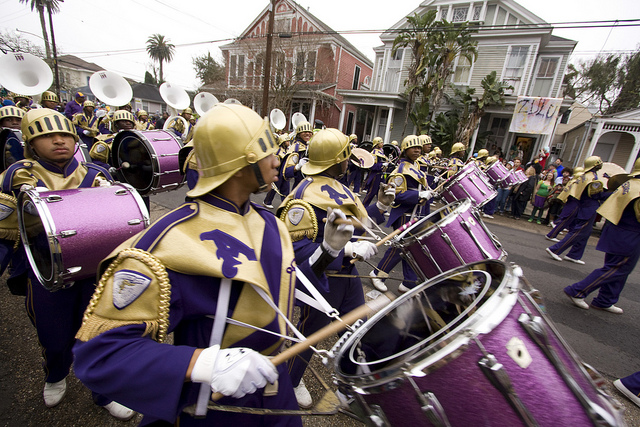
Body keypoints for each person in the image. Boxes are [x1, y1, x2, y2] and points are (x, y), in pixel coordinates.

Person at [74, 104, 347, 425]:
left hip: (274, 390)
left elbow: (285, 291)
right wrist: (205, 364)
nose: (278, 161)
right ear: (241, 162)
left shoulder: (270, 223)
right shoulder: (166, 242)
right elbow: (101, 353)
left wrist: (327, 249)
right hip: (211, 403)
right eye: (267, 152)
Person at [0, 109, 133, 419]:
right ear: (31, 142)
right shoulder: (17, 175)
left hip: (94, 269)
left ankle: (104, 390)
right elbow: (4, 234)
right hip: (46, 270)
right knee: (54, 335)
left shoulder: (94, 173)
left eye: (65, 135)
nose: (58, 140)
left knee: (99, 333)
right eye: (47, 135)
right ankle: (55, 374)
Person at [277, 128, 392, 408]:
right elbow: (296, 250)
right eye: (346, 156)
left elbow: (355, 221)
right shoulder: (302, 198)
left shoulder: (337, 185)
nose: (349, 160)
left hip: (347, 276)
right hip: (320, 279)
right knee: (308, 334)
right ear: (338, 159)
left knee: (355, 329)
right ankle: (290, 381)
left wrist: (379, 206)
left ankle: (351, 383)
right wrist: (349, 249)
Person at [563, 162, 640, 313]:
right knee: (618, 268)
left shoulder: (630, 183)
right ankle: (578, 290)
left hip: (618, 229)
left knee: (617, 269)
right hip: (629, 234)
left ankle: (605, 300)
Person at [370, 135, 434, 293]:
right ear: (405, 149)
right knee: (400, 247)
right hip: (404, 214)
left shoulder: (416, 167)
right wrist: (418, 196)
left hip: (415, 213)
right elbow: (395, 196)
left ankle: (409, 281)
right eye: (414, 147)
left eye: (419, 147)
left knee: (411, 248)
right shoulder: (400, 170)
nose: (417, 150)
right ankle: (378, 273)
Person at [546, 156, 610, 264]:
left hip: (584, 207)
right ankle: (555, 249)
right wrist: (611, 193)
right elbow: (595, 195)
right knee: (578, 232)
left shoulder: (585, 176)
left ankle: (574, 255)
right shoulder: (592, 178)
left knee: (585, 234)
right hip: (589, 207)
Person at [262, 133, 292, 208]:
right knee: (274, 189)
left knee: (285, 189)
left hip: (284, 173)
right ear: (283, 142)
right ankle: (267, 201)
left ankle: (285, 205)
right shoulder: (278, 151)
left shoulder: (287, 150)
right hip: (278, 173)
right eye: (287, 141)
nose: (288, 143)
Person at [362, 136, 387, 207]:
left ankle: (382, 209)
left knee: (382, 193)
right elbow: (372, 166)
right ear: (377, 144)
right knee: (371, 192)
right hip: (375, 175)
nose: (382, 144)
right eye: (381, 142)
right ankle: (364, 206)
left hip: (381, 175)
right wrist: (382, 164)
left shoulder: (381, 152)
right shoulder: (374, 153)